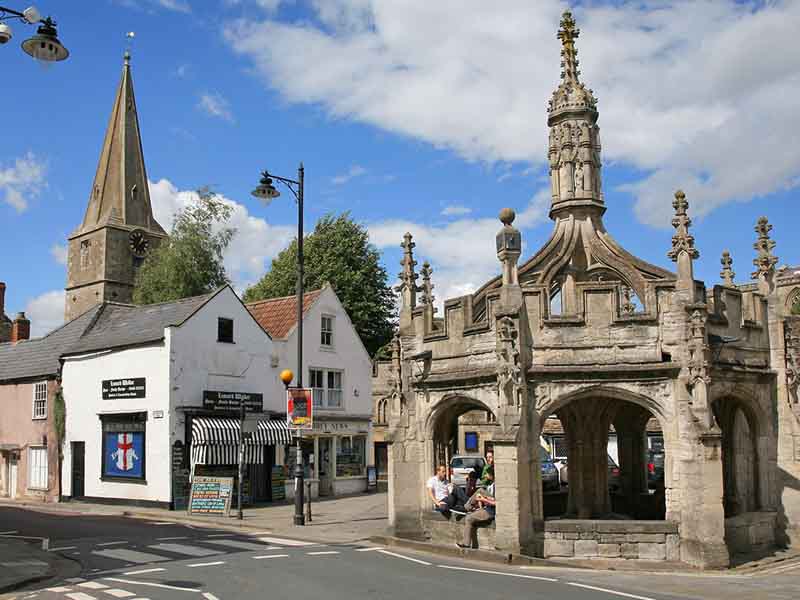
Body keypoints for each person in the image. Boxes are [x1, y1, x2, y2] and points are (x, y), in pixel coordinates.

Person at [458, 470, 496, 549]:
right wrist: (482, 502)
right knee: (480, 491)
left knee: (468, 518)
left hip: (491, 511)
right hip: (487, 508)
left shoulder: (497, 487)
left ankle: (466, 544)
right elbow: (491, 498)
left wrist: (484, 499)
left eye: (487, 474)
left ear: (492, 475)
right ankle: (468, 507)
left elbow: (496, 503)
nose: (486, 475)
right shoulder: (492, 484)